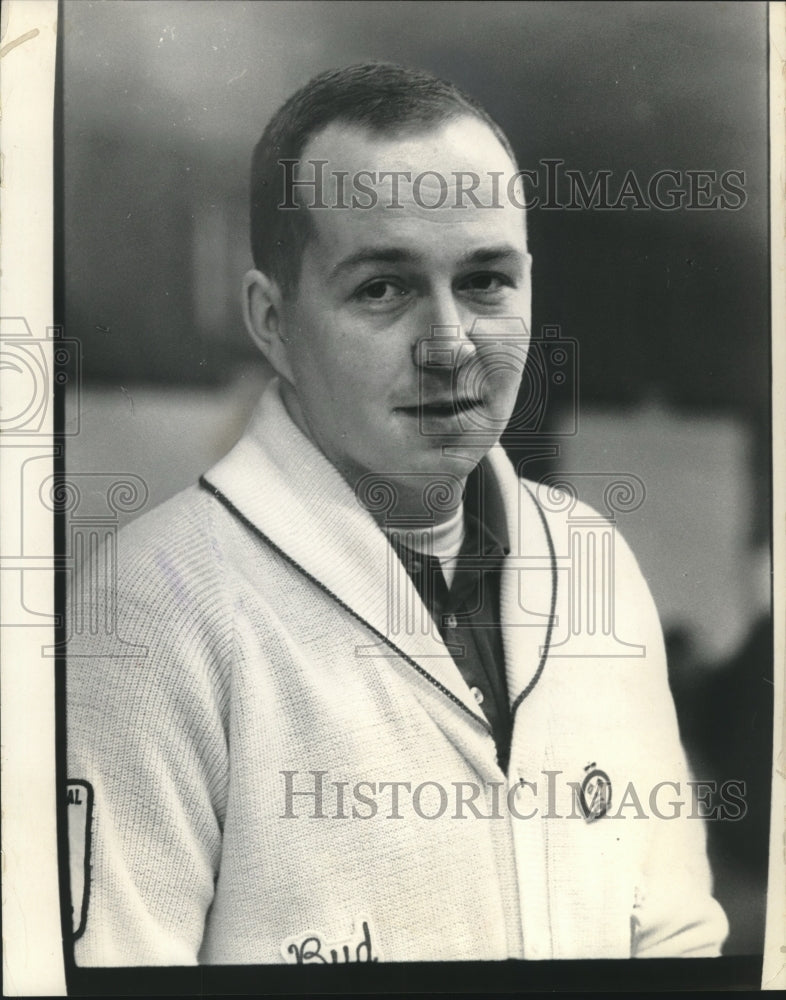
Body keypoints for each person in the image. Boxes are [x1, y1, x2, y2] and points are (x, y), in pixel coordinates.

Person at [67, 62, 728, 965]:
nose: (451, 346)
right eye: (384, 288)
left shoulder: (594, 565)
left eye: (487, 281)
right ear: (273, 320)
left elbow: (680, 939)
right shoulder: (149, 613)